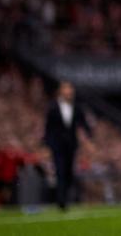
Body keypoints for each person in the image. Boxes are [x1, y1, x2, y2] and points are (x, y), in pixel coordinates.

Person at [42, 81, 93, 210]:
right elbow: (48, 128)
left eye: (70, 89)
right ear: (60, 91)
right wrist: (46, 146)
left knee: (69, 172)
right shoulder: (53, 107)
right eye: (66, 89)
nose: (69, 91)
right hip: (57, 146)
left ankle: (65, 198)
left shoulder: (77, 107)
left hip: (71, 146)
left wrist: (89, 140)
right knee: (60, 171)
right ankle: (61, 201)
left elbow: (84, 124)